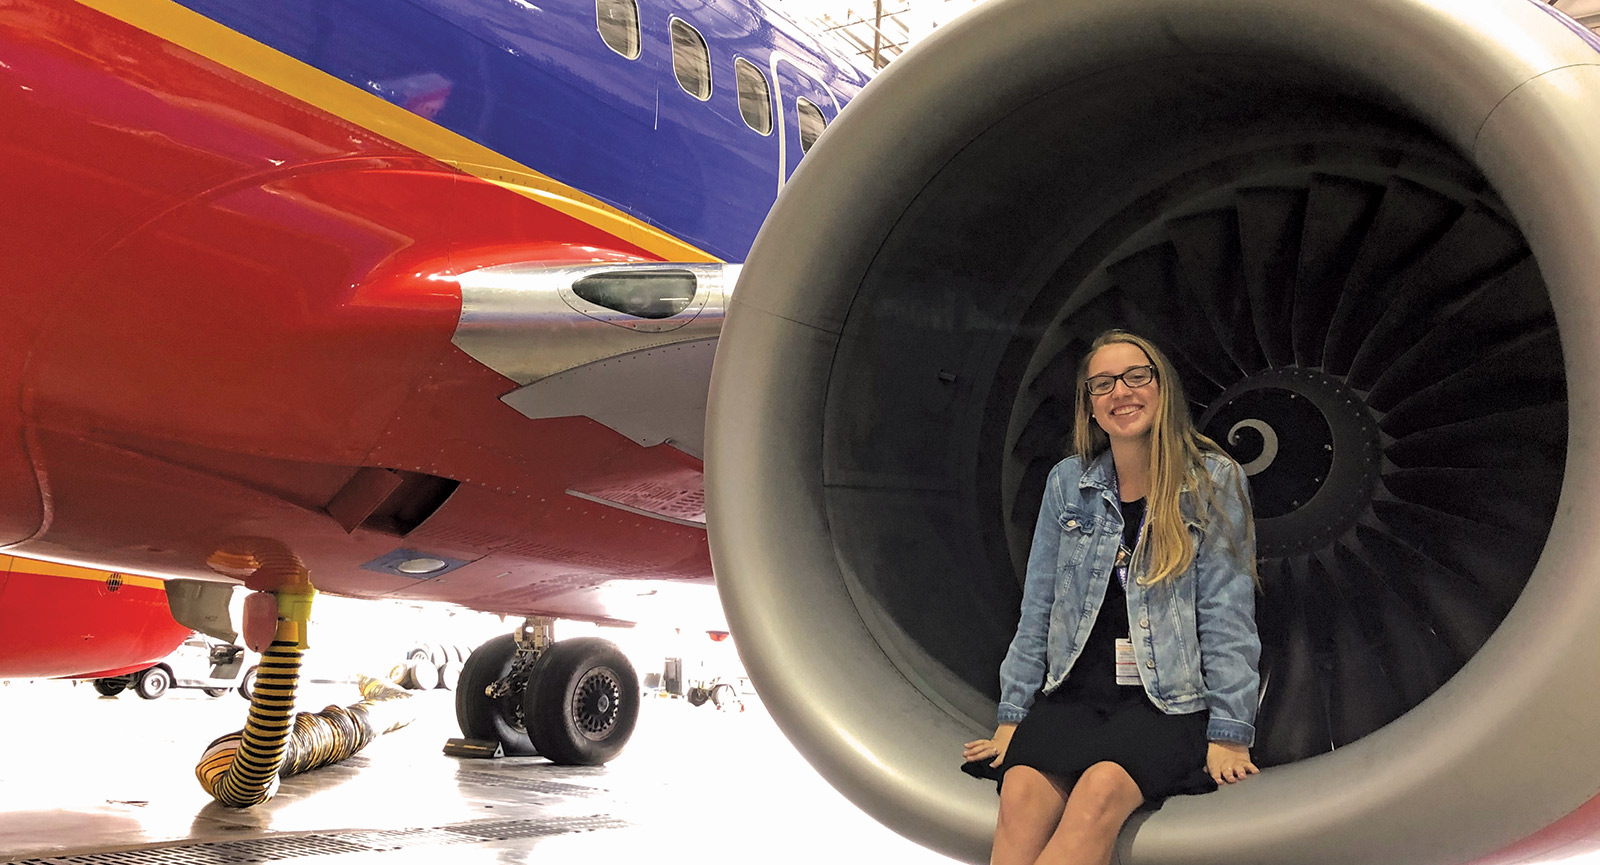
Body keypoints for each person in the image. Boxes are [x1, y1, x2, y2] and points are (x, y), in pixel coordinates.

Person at [961, 330, 1261, 865]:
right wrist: (1013, 712)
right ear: (1091, 408)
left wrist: (1230, 732)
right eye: (1102, 384)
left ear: (1162, 387)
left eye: (1135, 376)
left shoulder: (1214, 481)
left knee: (1097, 797)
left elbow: (1227, 612)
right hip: (1076, 695)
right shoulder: (1068, 483)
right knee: (1020, 795)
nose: (1120, 392)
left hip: (1165, 702)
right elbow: (1039, 605)